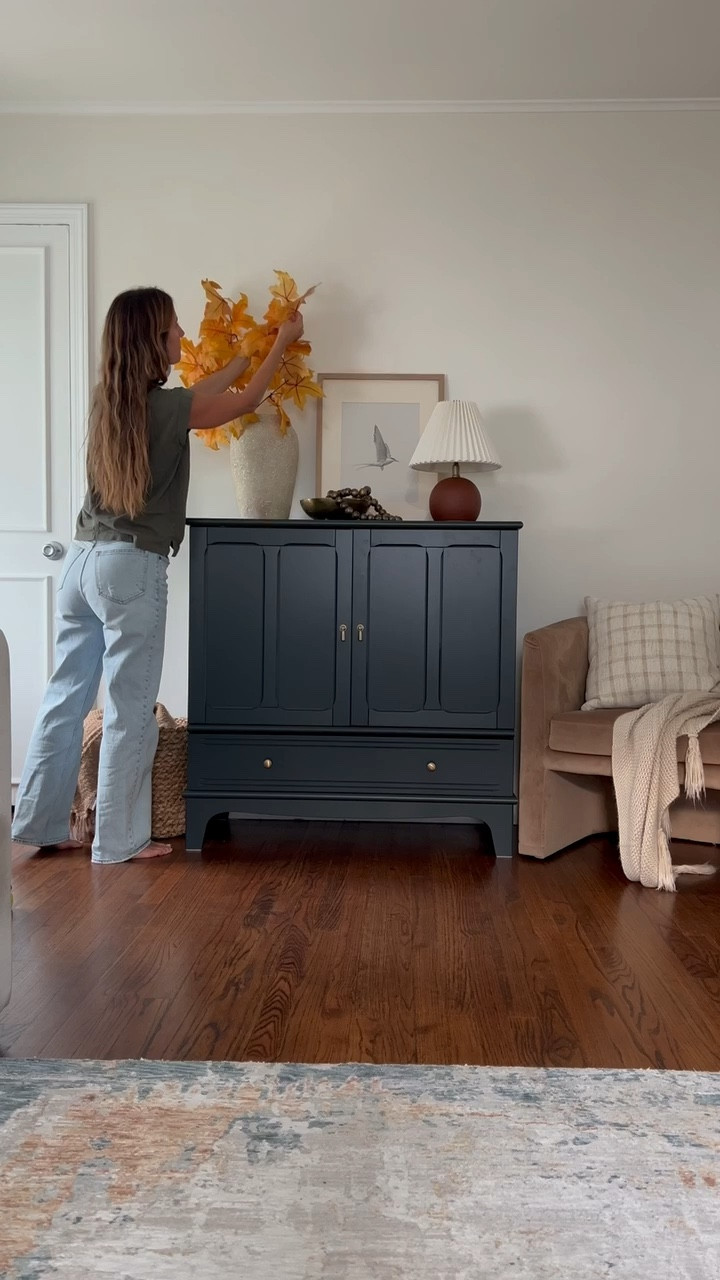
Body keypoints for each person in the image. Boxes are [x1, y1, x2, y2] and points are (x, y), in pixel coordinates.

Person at [12, 286, 304, 863]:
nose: (182, 336)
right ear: (154, 339)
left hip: (82, 564)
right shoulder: (171, 410)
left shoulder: (110, 401)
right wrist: (284, 345)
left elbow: (202, 392)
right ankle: (118, 842)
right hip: (130, 569)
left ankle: (40, 824)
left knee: (65, 697)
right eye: (174, 328)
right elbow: (245, 404)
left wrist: (247, 355)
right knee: (130, 707)